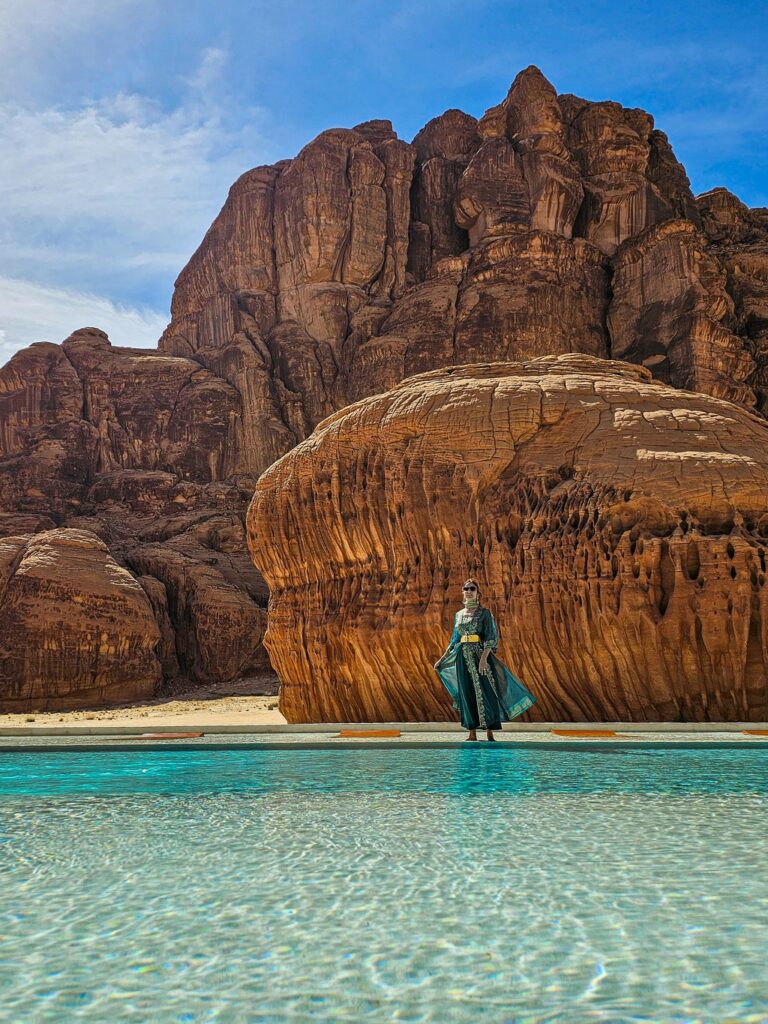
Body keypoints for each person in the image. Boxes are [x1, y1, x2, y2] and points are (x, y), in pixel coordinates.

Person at [434, 579, 536, 741]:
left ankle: (490, 731)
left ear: (477, 593)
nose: (468, 591)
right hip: (462, 657)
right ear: (463, 592)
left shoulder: (484, 613)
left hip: (479, 655)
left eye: (472, 588)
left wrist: (483, 659)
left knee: (487, 691)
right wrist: (442, 658)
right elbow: (454, 640)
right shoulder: (458, 615)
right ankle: (472, 732)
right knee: (467, 693)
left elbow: (490, 637)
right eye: (466, 588)